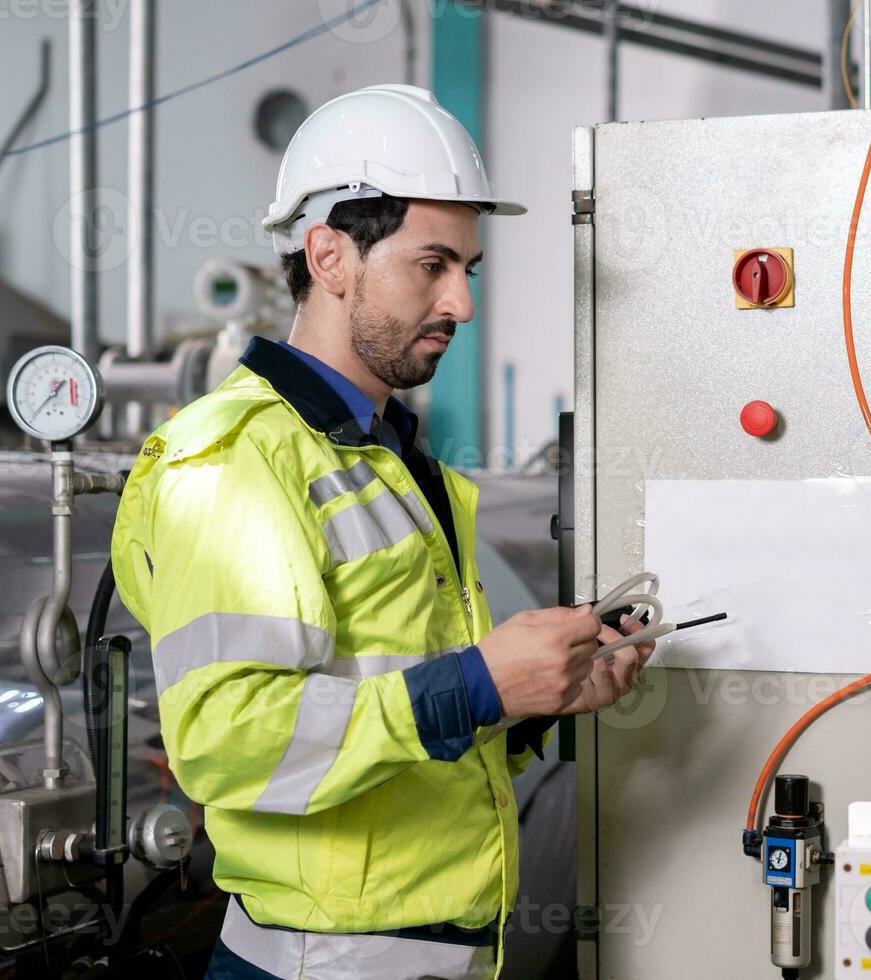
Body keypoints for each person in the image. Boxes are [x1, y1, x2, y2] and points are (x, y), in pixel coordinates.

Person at [110, 84, 653, 980]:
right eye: (431, 265)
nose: (461, 304)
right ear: (329, 257)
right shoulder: (233, 458)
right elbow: (227, 742)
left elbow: (390, 712)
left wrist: (529, 700)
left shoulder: (389, 461)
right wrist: (479, 682)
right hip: (321, 962)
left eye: (466, 271)